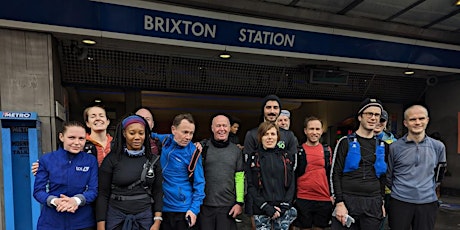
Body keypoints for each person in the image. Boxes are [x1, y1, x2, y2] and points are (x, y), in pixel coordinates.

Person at [96, 115, 163, 230]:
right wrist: (100, 226)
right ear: (124, 133)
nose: (137, 137)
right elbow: (103, 194)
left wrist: (157, 221)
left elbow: (158, 191)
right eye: (132, 133)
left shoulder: (153, 160)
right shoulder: (112, 160)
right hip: (116, 218)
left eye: (141, 133)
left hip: (144, 219)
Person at [330, 98, 388, 229]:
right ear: (360, 117)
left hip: (373, 203)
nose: (373, 118)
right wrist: (339, 202)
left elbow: (383, 177)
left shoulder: (383, 146)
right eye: (369, 114)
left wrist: (381, 201)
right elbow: (335, 173)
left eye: (377, 115)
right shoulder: (345, 142)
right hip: (348, 201)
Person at [386, 105, 447, 230]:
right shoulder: (395, 147)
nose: (418, 122)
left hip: (428, 203)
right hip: (399, 202)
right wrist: (401, 191)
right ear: (405, 123)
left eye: (421, 118)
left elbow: (439, 175)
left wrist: (427, 189)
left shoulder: (438, 147)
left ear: (427, 120)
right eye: (413, 119)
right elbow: (389, 175)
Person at [244, 95, 298, 230]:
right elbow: (248, 171)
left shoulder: (289, 135)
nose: (272, 111)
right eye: (268, 107)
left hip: (282, 200)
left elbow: (294, 169)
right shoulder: (251, 134)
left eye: (275, 107)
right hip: (259, 202)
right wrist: (263, 205)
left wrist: (285, 203)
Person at [33, 121, 98, 230]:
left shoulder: (90, 160)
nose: (77, 142)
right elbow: (38, 191)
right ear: (61, 137)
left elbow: (93, 190)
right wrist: (55, 201)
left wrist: (76, 200)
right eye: (71, 137)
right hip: (51, 222)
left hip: (82, 222)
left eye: (81, 138)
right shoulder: (47, 159)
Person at [151, 113, 205, 230]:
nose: (189, 137)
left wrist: (194, 210)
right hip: (162, 208)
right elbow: (146, 134)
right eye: (185, 132)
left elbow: (199, 184)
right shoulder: (165, 140)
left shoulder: (194, 153)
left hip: (183, 210)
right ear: (173, 130)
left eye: (191, 133)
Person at [31, 104, 113, 174]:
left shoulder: (116, 143)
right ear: (87, 123)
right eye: (93, 116)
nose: (98, 118)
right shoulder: (79, 143)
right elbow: (62, 160)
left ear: (107, 121)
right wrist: (44, 165)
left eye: (101, 115)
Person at [199, 113, 245, 230]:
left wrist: (239, 203)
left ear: (229, 128)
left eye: (224, 126)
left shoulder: (236, 151)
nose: (222, 129)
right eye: (218, 126)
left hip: (228, 207)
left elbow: (239, 178)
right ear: (212, 128)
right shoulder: (202, 148)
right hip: (204, 206)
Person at [292, 116, 333, 230]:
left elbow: (331, 174)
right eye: (311, 129)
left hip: (323, 198)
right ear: (305, 131)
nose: (314, 132)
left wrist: (332, 196)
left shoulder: (327, 150)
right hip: (303, 198)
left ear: (321, 131)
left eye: (317, 129)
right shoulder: (298, 150)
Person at [373, 109, 397, 230]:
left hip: (391, 191)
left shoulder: (395, 143)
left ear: (386, 122)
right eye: (376, 119)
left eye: (382, 120)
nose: (378, 122)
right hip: (370, 191)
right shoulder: (359, 140)